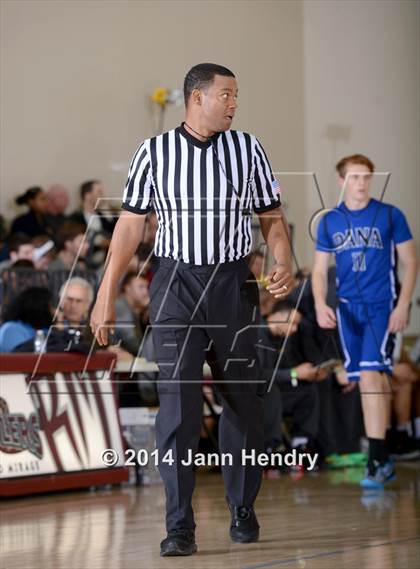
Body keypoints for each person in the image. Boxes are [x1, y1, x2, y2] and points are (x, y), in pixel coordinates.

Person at [90, 63, 294, 556]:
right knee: (177, 408)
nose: (234, 103)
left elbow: (271, 218)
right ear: (196, 98)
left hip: (232, 283)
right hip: (176, 283)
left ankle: (243, 506)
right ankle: (179, 524)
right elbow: (129, 229)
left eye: (236, 95)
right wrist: (104, 292)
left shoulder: (249, 148)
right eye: (227, 94)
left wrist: (283, 256)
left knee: (243, 403)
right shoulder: (154, 152)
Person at [312, 153, 417, 489]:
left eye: (366, 177)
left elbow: (410, 263)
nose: (361, 183)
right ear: (342, 181)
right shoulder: (330, 221)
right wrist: (318, 303)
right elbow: (318, 270)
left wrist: (403, 306)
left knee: (372, 375)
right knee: (368, 381)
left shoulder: (389, 215)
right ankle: (381, 453)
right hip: (347, 310)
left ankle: (376, 457)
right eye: (354, 177)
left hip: (381, 307)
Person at [257, 301, 327, 464]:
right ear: (277, 316)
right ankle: (270, 447)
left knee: (307, 391)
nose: (294, 329)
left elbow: (283, 372)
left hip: (272, 394)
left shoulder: (282, 341)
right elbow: (257, 374)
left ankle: (301, 443)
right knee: (271, 390)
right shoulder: (257, 334)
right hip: (248, 393)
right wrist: (295, 373)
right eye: (292, 323)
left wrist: (308, 373)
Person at [0, 286, 53, 352]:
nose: (54, 311)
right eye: (50, 306)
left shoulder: (44, 329)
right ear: (39, 308)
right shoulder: (12, 330)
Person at [114, 272, 150, 355]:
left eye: (147, 287)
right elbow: (134, 344)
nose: (146, 292)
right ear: (127, 288)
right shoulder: (121, 307)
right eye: (141, 287)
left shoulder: (134, 309)